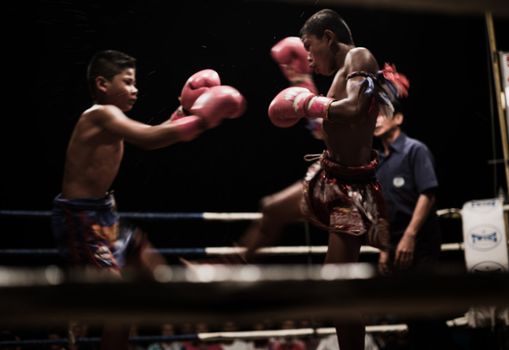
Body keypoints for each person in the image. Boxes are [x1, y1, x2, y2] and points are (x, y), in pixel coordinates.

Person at [51, 50, 245, 350]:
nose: (135, 89)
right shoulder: (101, 114)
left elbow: (158, 133)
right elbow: (149, 138)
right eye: (127, 82)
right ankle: (80, 314)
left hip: (104, 216)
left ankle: (85, 314)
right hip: (81, 220)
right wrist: (201, 121)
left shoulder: (112, 118)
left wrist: (183, 114)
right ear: (103, 84)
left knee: (149, 267)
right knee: (123, 304)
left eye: (135, 82)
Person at [244, 9, 409, 350]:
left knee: (338, 290)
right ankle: (225, 268)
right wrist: (302, 89)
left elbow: (350, 109)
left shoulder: (360, 57)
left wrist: (306, 101)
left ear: (328, 38)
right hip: (327, 175)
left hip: (351, 192)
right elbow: (329, 125)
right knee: (271, 209)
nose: (306, 55)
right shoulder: (342, 74)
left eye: (309, 45)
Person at [373, 100, 456, 349]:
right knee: (409, 312)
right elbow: (383, 207)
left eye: (382, 115)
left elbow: (428, 193)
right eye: (372, 116)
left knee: (426, 309)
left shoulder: (414, 150)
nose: (376, 120)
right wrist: (384, 249)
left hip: (421, 241)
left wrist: (410, 235)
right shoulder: (379, 161)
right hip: (395, 244)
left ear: (398, 118)